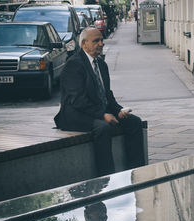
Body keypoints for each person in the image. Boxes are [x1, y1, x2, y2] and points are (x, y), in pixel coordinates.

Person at [54, 27, 145, 176]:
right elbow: (78, 100)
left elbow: (107, 95)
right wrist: (103, 115)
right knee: (102, 128)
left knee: (134, 122)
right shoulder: (74, 64)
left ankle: (135, 172)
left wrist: (117, 111)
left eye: (102, 40)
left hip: (96, 111)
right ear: (84, 44)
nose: (101, 44)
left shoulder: (101, 64)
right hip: (75, 115)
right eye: (96, 41)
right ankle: (107, 177)